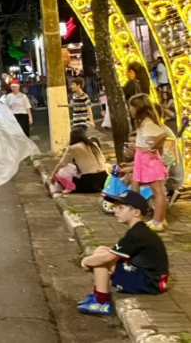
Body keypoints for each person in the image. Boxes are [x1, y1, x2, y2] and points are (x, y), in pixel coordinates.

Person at [77, 191, 168, 315]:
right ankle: (97, 294)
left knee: (101, 262)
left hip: (150, 282)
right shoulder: (139, 230)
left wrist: (85, 261)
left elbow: (108, 258)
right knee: (101, 250)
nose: (115, 210)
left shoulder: (136, 234)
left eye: (121, 207)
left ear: (136, 212)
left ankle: (101, 302)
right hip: (146, 274)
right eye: (115, 207)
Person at [129, 94, 169, 231]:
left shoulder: (147, 123)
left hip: (148, 161)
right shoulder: (144, 123)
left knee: (158, 192)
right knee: (158, 192)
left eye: (131, 106)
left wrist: (150, 147)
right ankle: (160, 219)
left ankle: (157, 221)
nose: (130, 109)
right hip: (144, 159)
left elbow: (163, 134)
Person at [49, 129, 108, 195]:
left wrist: (52, 175)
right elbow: (103, 159)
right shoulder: (93, 144)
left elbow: (61, 164)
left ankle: (68, 188)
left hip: (90, 182)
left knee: (60, 174)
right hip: (104, 179)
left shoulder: (72, 148)